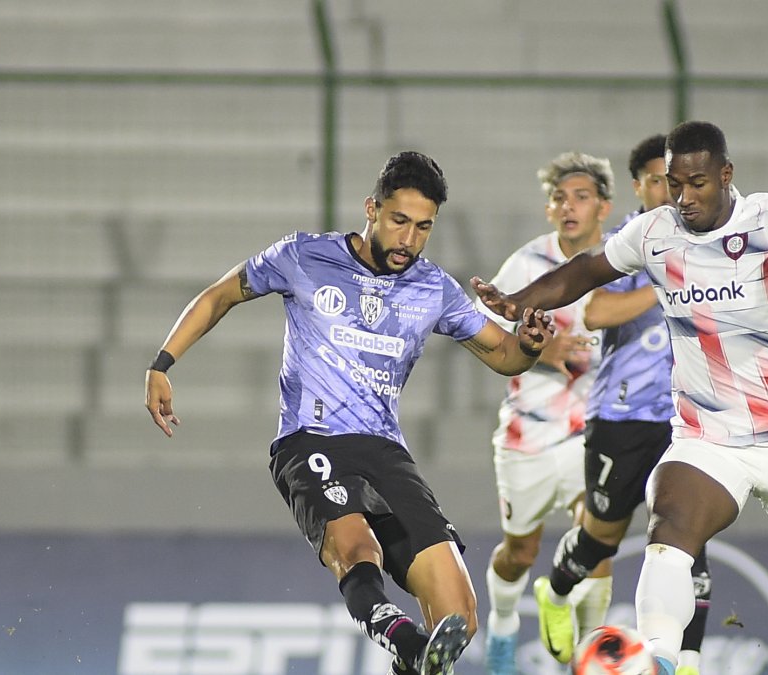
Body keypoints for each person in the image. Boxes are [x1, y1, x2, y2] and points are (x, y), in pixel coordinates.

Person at [470, 121, 768, 675]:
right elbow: (587, 271)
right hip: (708, 435)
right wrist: (516, 301)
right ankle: (660, 659)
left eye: (697, 184)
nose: (683, 198)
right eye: (674, 184)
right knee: (669, 526)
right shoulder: (655, 231)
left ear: (725, 175)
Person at [143, 151, 555, 675]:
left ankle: (411, 660)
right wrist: (163, 362)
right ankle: (399, 637)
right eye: (399, 221)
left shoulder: (433, 289)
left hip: (384, 450)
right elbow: (222, 294)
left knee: (460, 617)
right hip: (309, 440)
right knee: (357, 548)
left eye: (423, 227)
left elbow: (504, 355)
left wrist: (531, 344)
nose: (409, 239)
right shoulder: (304, 256)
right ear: (372, 209)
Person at [532, 134, 713, 675]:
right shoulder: (627, 241)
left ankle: (688, 662)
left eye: (676, 179)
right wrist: (670, 285)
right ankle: (556, 590)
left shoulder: (712, 241)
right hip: (622, 417)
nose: (669, 189)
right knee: (598, 537)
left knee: (688, 546)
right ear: (638, 186)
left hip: (689, 423)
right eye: (657, 179)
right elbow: (597, 313)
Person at [480, 152, 613, 674]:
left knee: (598, 534)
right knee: (520, 551)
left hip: (593, 431)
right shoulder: (526, 265)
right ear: (549, 209)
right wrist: (541, 351)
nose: (569, 205)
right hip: (528, 434)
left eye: (581, 196)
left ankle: (592, 653)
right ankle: (505, 625)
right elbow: (479, 330)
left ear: (604, 206)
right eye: (560, 197)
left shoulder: (621, 265)